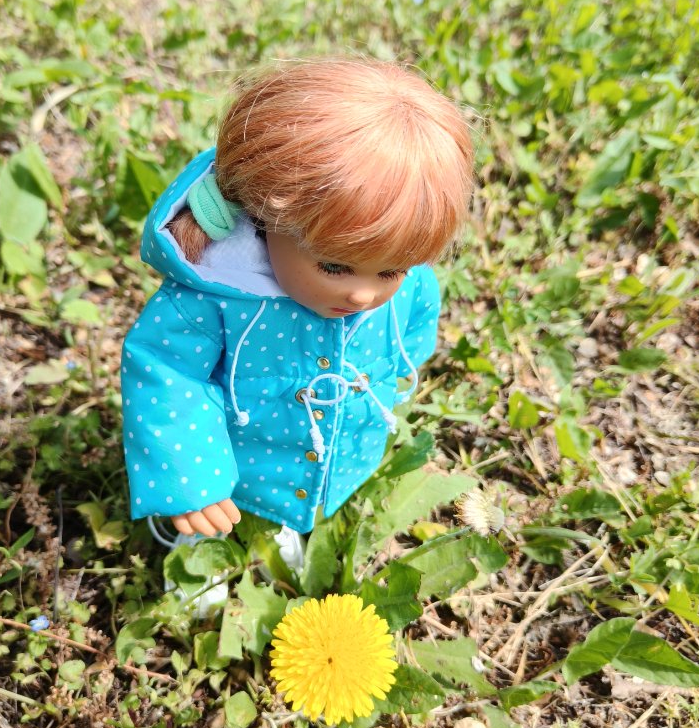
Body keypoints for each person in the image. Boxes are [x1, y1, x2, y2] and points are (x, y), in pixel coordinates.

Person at [121, 58, 474, 542]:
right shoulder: (215, 296)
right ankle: (203, 553)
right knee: (212, 539)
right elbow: (166, 373)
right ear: (263, 213)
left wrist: (393, 382)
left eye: (392, 270)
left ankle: (293, 524)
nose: (363, 294)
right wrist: (192, 480)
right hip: (237, 467)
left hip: (344, 453)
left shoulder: (404, 279)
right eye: (333, 267)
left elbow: (416, 319)